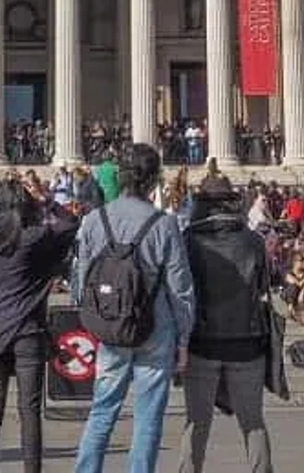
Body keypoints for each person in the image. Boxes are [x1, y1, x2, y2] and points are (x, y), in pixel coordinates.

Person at [74, 143, 196, 473]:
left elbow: (82, 279)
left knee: (102, 411)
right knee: (148, 417)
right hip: (155, 328)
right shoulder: (165, 225)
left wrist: (98, 315)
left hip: (111, 325)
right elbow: (180, 287)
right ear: (154, 180)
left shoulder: (95, 220)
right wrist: (184, 339)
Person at [0, 178, 79, 473]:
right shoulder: (35, 238)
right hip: (28, 332)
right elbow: (71, 224)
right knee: (29, 410)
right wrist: (47, 200)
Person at [176, 190, 273, 473]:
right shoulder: (254, 240)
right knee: (253, 421)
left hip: (202, 341)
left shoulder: (190, 240)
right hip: (247, 341)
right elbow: (264, 284)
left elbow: (182, 289)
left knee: (196, 421)